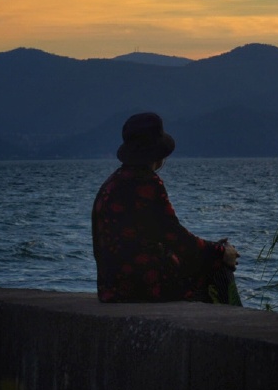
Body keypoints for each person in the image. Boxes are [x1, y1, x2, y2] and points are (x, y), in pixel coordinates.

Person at [91, 111, 241, 305]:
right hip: (144, 288)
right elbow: (174, 236)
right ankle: (229, 325)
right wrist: (220, 252)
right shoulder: (147, 183)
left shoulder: (111, 183)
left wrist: (213, 249)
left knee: (212, 253)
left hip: (111, 288)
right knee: (219, 264)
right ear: (159, 154)